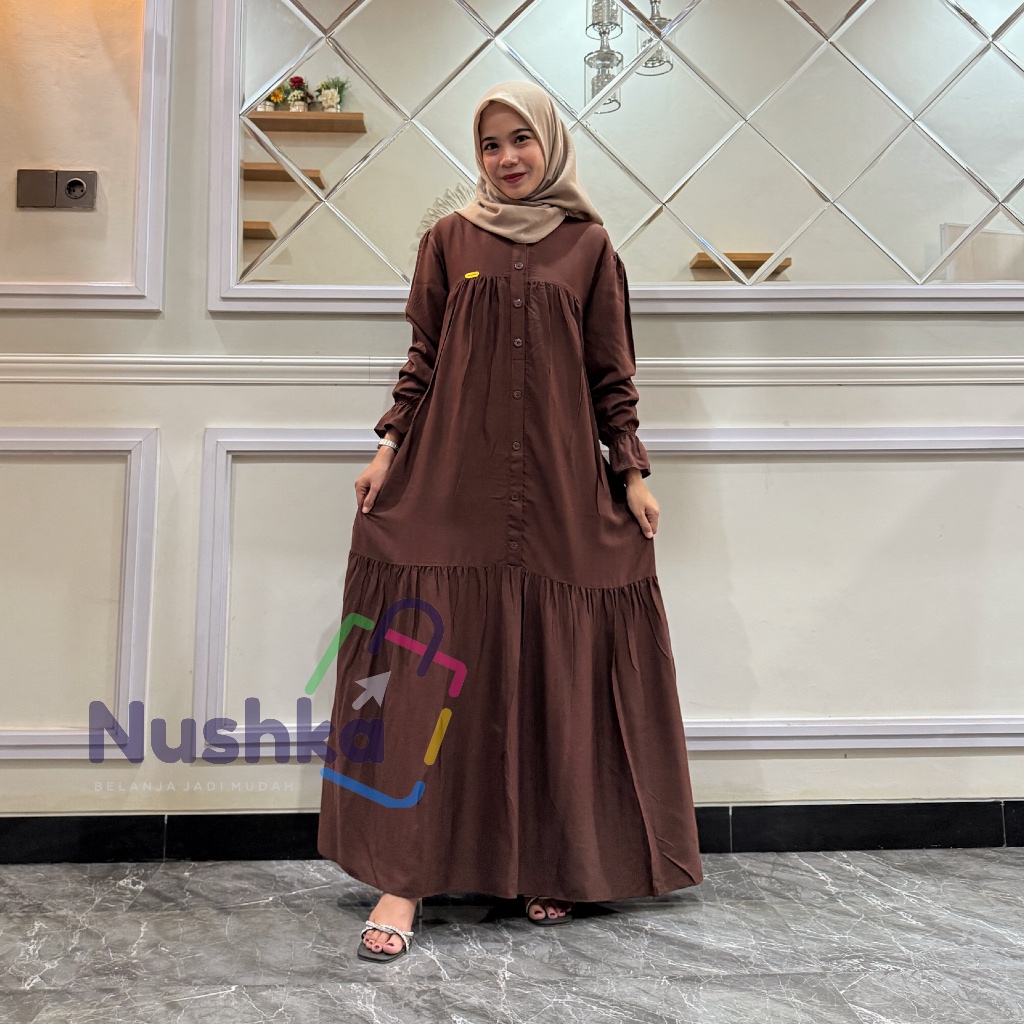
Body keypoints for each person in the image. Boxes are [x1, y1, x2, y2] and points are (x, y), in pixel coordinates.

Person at [317, 79, 703, 964]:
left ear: (550, 143)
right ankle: (404, 878)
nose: (506, 158)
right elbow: (423, 356)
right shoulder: (449, 241)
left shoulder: (590, 247)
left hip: (561, 487)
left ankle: (550, 860)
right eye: (490, 144)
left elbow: (612, 374)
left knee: (551, 669)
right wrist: (387, 450)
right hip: (452, 480)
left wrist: (631, 474)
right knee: (430, 660)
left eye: (520, 139)